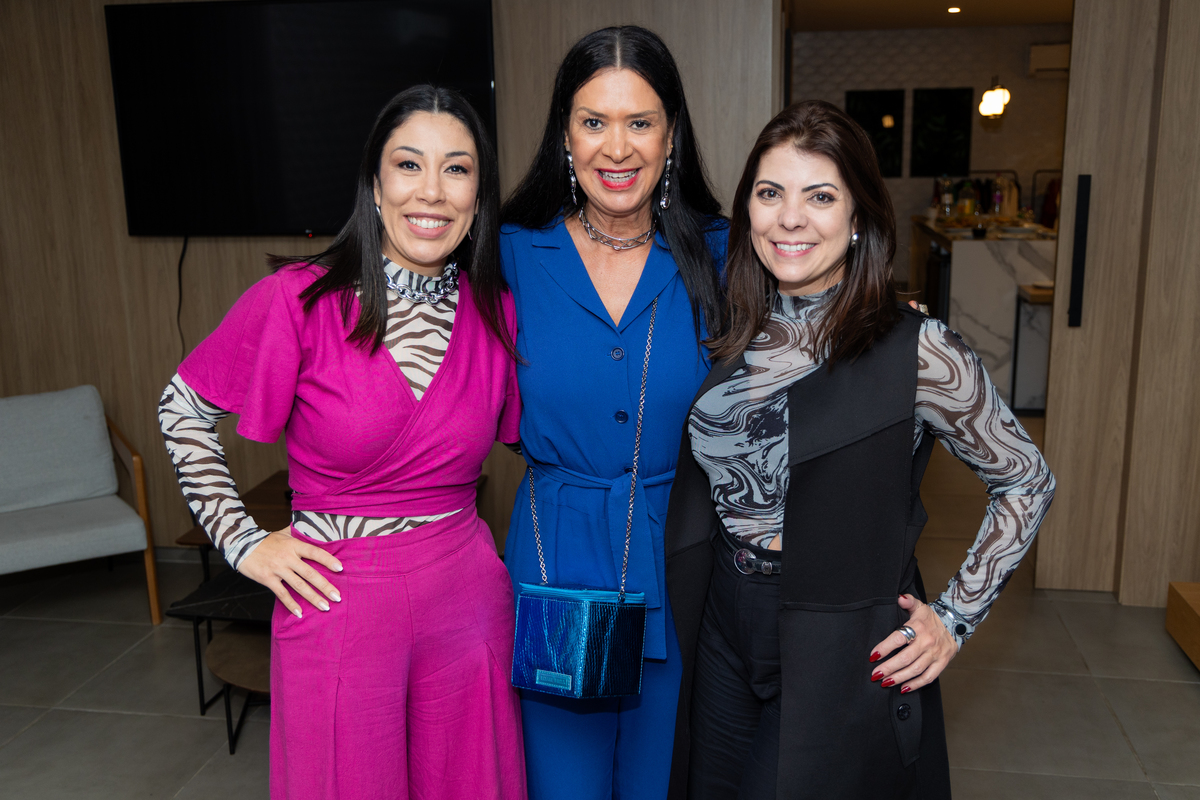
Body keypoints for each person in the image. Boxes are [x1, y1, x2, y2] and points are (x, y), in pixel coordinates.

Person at [664, 100, 1056, 799]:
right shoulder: (732, 323)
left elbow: (1027, 480)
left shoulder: (919, 350)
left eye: (820, 196)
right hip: (723, 618)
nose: (789, 218)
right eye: (770, 193)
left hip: (837, 638)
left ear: (858, 219)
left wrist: (955, 619)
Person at [158, 85, 526, 800]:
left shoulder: (497, 312)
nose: (432, 190)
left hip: (468, 600)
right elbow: (183, 409)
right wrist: (242, 542)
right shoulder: (298, 300)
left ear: (478, 198)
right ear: (375, 186)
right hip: (335, 599)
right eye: (408, 164)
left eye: (456, 169)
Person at [499, 25, 728, 800]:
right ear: (565, 135)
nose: (617, 147)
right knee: (563, 786)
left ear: (672, 135)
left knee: (666, 782)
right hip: (555, 562)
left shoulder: (726, 252)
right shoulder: (511, 253)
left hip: (684, 557)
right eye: (594, 121)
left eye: (641, 122)